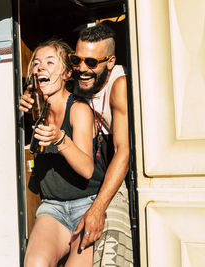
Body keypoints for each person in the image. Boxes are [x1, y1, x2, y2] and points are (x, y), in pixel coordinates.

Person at [19, 38, 97, 267]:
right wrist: (21, 115)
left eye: (50, 63)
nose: (40, 67)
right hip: (53, 207)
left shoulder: (79, 110)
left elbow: (87, 169)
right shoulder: (35, 109)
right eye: (37, 64)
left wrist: (60, 138)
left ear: (66, 74)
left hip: (87, 205)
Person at [70, 22, 133, 266]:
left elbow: (123, 151)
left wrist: (97, 209)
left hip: (121, 175)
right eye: (77, 59)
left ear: (110, 61)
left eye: (91, 63)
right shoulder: (80, 81)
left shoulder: (119, 85)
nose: (82, 69)